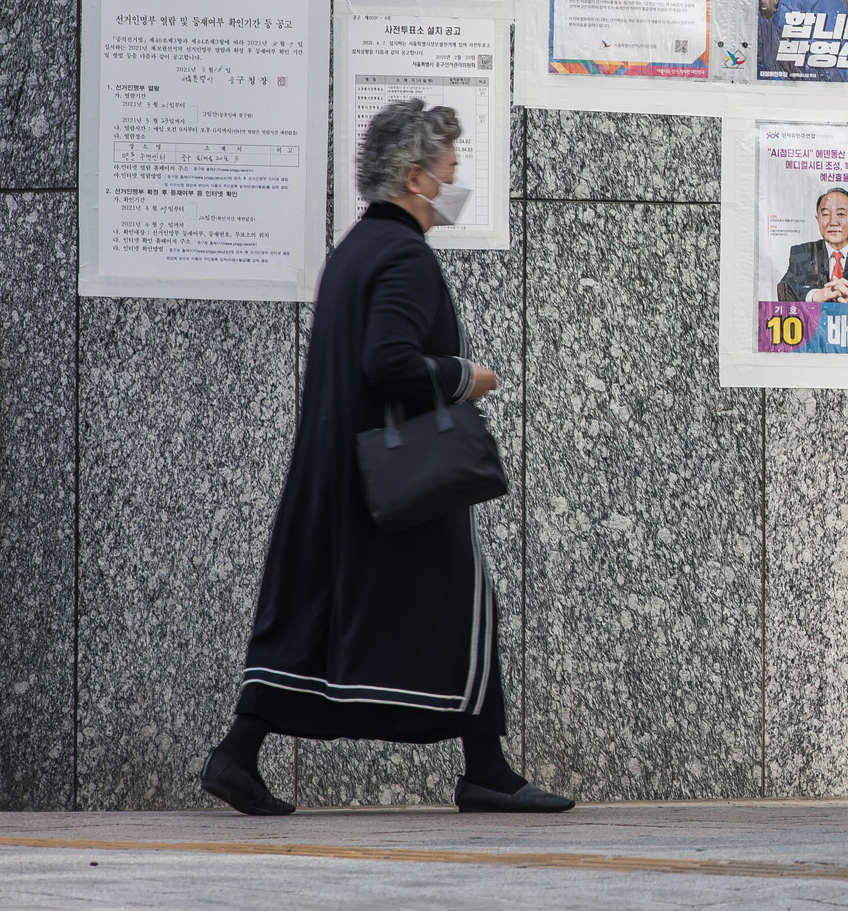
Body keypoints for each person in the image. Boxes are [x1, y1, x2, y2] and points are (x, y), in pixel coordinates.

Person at [200, 100, 572, 817]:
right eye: (450, 169)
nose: (456, 181)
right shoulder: (403, 255)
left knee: (314, 612)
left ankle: (237, 753)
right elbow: (389, 360)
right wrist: (468, 377)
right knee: (467, 606)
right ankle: (487, 770)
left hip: (335, 473)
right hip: (392, 481)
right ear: (415, 177)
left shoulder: (353, 251)